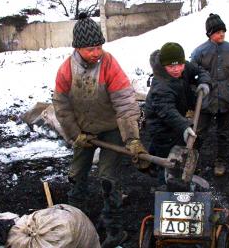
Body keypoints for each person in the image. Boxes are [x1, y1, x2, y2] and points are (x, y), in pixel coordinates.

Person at [52, 13, 149, 248]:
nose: (96, 52)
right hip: (85, 132)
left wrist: (132, 139)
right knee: (76, 178)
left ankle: (114, 230)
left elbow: (125, 102)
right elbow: (62, 107)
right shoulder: (66, 70)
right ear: (78, 48)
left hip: (111, 129)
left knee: (108, 179)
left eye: (99, 47)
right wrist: (76, 135)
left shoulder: (108, 64)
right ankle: (75, 224)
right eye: (90, 49)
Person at [144, 42, 211, 187]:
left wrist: (204, 82)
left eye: (179, 65)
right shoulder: (160, 85)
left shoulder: (184, 66)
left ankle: (150, 163)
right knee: (168, 160)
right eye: (171, 67)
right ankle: (165, 189)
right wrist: (185, 126)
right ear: (163, 65)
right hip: (159, 123)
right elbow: (168, 112)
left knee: (168, 147)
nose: (176, 70)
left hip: (175, 114)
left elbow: (200, 71)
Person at [191, 13, 229, 176]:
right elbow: (191, 76)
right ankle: (192, 161)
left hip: (227, 97)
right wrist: (192, 96)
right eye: (217, 31)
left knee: (223, 133)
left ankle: (220, 161)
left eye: (223, 31)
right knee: (198, 132)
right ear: (209, 33)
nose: (221, 34)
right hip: (206, 99)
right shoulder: (199, 52)